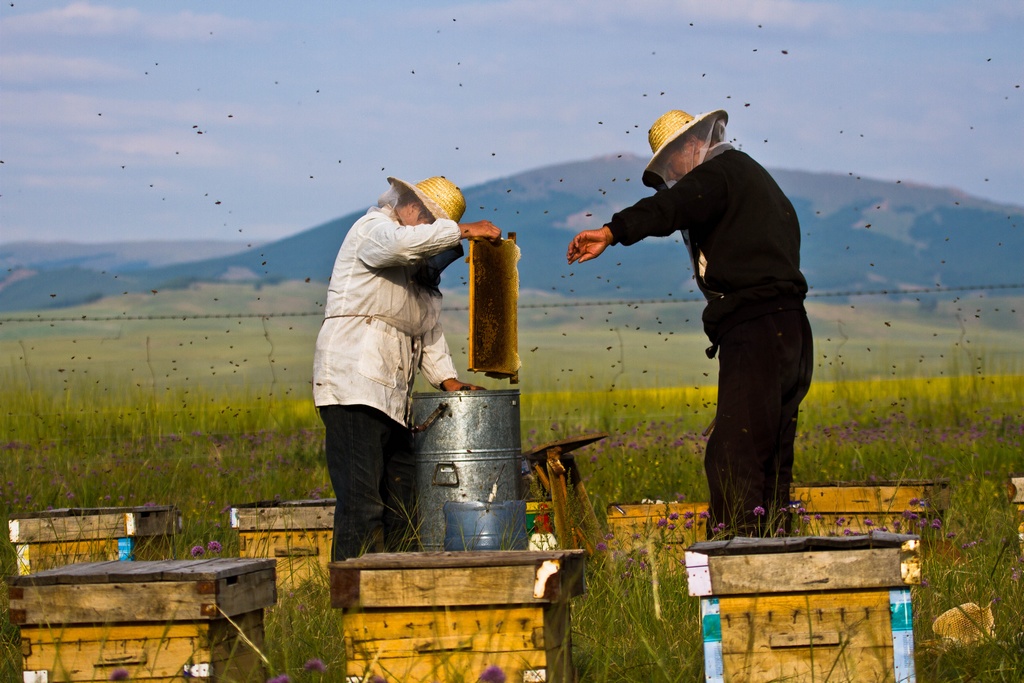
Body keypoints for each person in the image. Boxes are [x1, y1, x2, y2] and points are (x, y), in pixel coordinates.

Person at [566, 109, 813, 537]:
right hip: (790, 328)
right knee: (769, 455)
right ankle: (774, 551)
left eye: (671, 162)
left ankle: (737, 565)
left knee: (732, 455)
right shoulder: (754, 178)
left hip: (755, 330)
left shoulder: (717, 174)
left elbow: (673, 205)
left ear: (690, 146)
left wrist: (612, 231)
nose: (673, 173)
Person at [313, 175, 501, 560]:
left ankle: (401, 596)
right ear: (414, 209)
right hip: (352, 390)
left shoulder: (413, 272)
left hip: (392, 399)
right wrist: (463, 231)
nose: (438, 237)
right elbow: (398, 244)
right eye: (436, 226)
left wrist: (447, 381)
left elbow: (425, 328)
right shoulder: (373, 230)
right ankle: (354, 599)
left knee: (404, 507)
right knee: (363, 506)